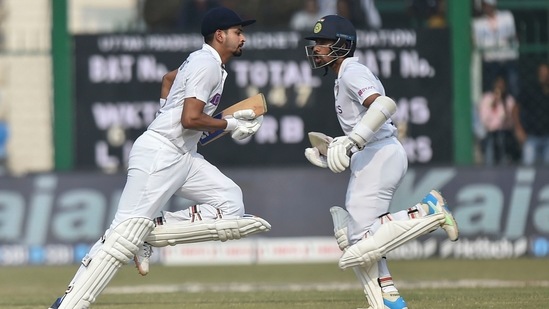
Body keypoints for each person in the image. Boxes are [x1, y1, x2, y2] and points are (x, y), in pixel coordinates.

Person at [48, 6, 271, 309]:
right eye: (238, 32)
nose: (243, 38)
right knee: (121, 235)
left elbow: (168, 80)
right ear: (220, 35)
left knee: (231, 203)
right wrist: (230, 124)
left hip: (184, 155)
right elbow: (190, 119)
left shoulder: (206, 61)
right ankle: (69, 305)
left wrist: (165, 111)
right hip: (160, 153)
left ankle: (148, 233)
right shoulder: (206, 63)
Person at [302, 15, 459, 309]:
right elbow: (361, 126)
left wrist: (352, 141)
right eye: (316, 43)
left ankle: (427, 210)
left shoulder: (351, 70)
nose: (317, 48)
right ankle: (389, 296)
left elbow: (384, 106)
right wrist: (334, 147)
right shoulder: (343, 76)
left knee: (360, 239)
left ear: (342, 45)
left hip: (380, 152)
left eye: (323, 42)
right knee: (358, 236)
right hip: (373, 153)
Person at [472, 0, 520, 98]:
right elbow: (479, 44)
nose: (487, 7)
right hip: (490, 60)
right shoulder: (477, 23)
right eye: (485, 5)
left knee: (514, 86)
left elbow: (511, 37)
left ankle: (514, 105)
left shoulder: (507, 16)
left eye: (489, 4)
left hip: (507, 57)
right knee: (490, 87)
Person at [477, 75, 519, 165]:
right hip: (490, 134)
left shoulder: (509, 100)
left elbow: (511, 122)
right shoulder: (486, 99)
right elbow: (484, 120)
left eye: (502, 86)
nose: (500, 88)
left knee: (505, 160)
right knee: (489, 159)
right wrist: (493, 104)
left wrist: (503, 105)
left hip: (505, 134)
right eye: (498, 85)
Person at [513, 62, 549, 166]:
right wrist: (518, 129)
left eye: (546, 73)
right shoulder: (530, 90)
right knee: (527, 168)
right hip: (531, 136)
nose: (543, 76)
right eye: (541, 73)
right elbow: (515, 109)